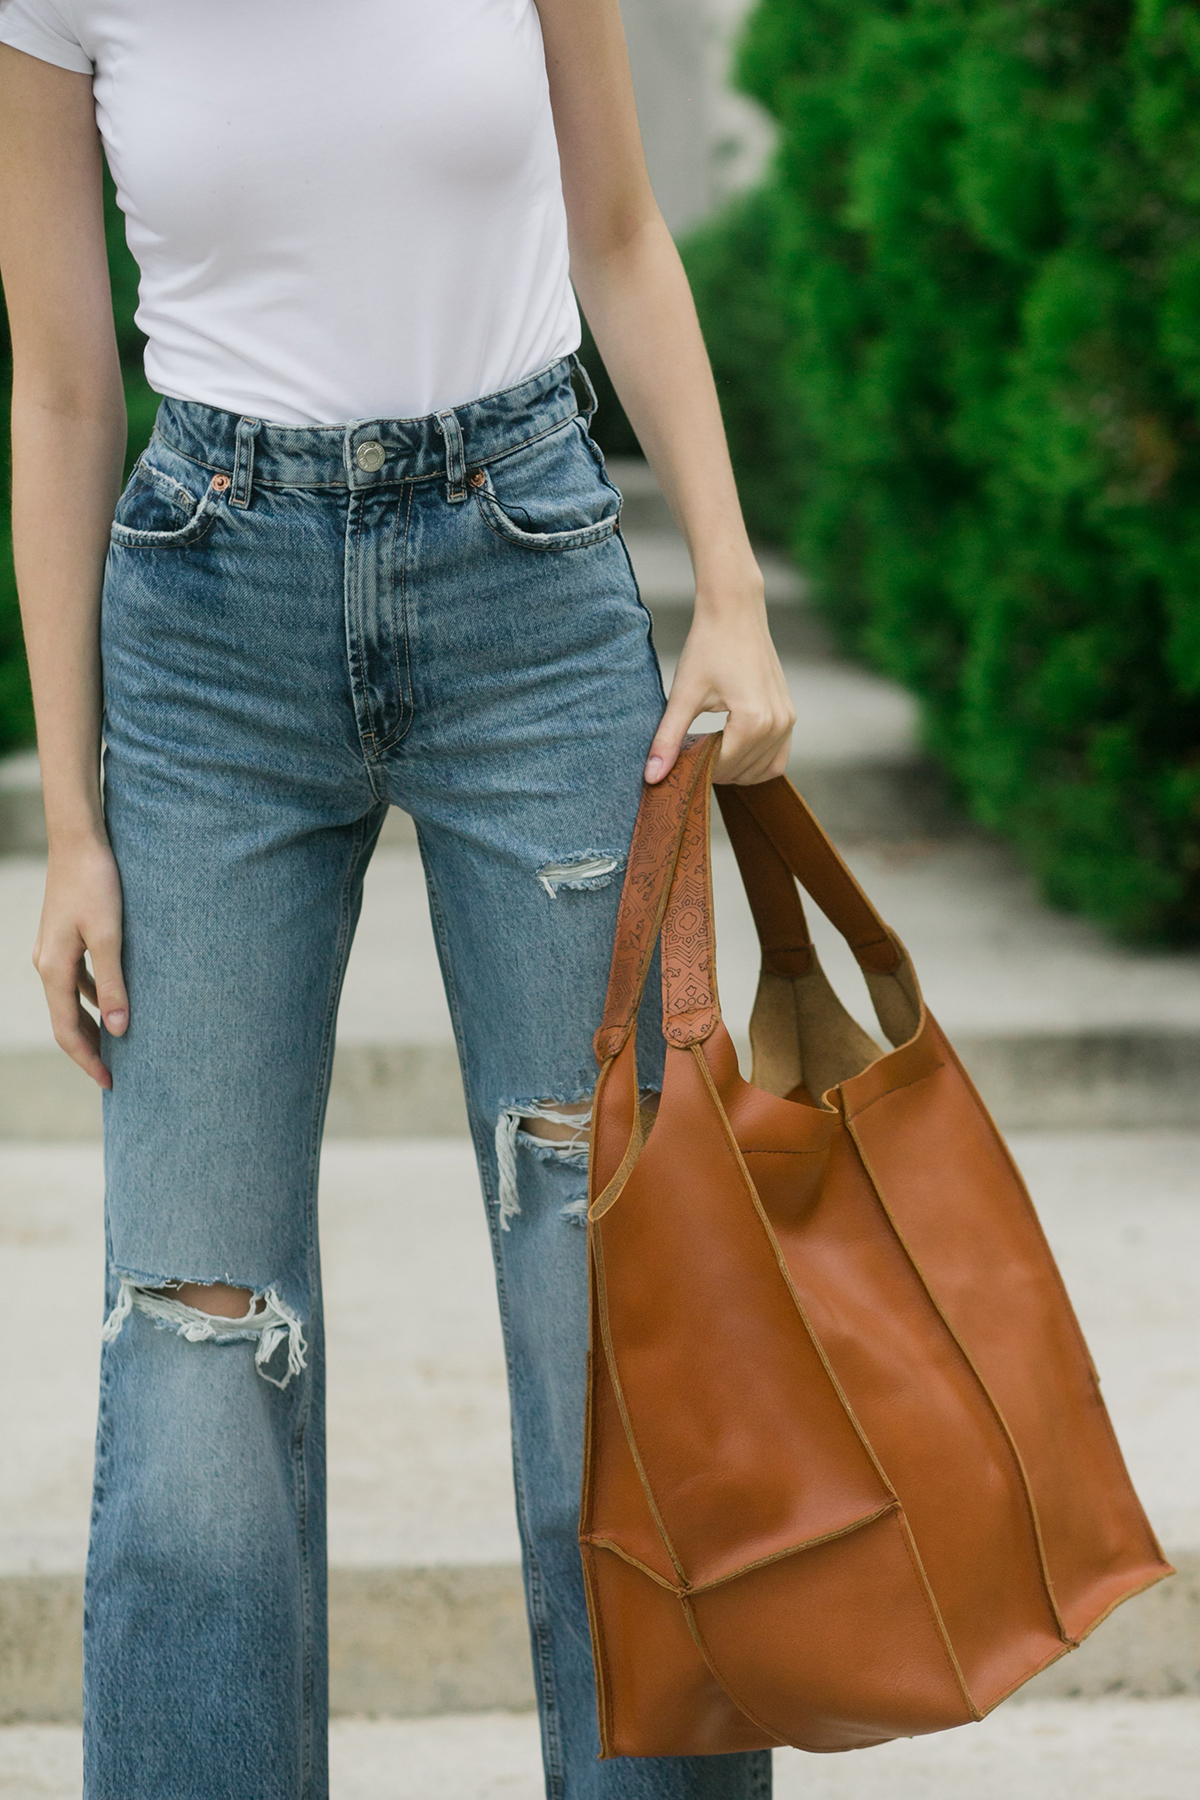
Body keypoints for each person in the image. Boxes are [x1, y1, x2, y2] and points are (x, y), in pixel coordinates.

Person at [0, 3, 793, 1794]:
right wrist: (74, 827)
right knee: (196, 1334)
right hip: (209, 628)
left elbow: (619, 238)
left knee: (617, 1303)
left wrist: (732, 594)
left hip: (525, 582)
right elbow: (60, 386)